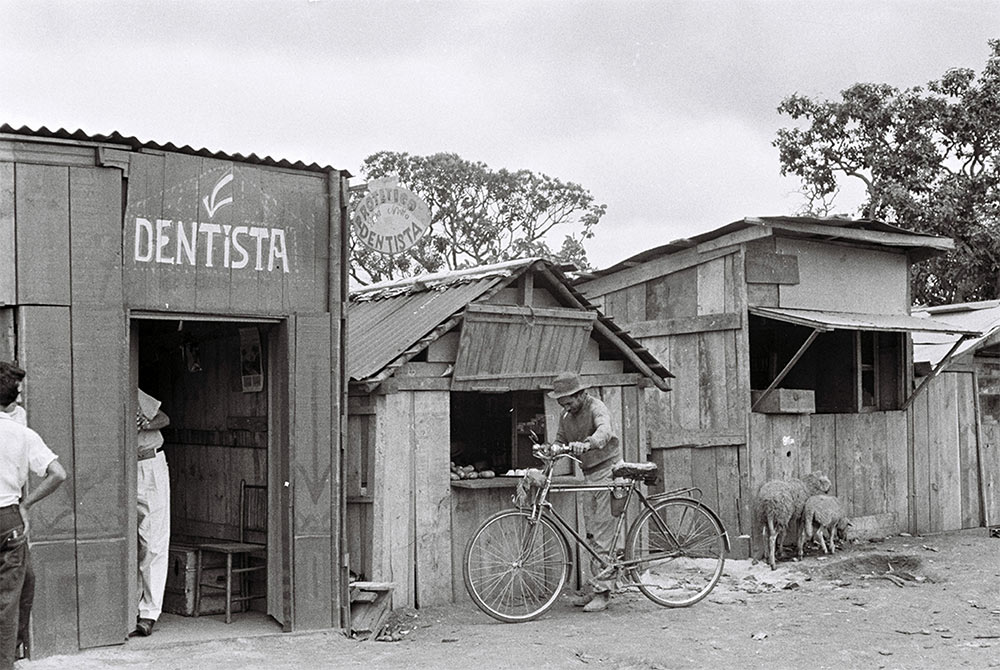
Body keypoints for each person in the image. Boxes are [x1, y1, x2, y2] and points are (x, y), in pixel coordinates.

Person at [0, 368, 66, 670]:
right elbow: (58, 474)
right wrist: (26, 505)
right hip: (8, 517)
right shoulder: (23, 433)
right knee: (9, 600)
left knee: (24, 583)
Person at [550, 371, 622, 613]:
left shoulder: (596, 408)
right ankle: (595, 588)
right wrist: (552, 449)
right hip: (589, 476)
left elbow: (605, 431)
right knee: (590, 534)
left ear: (580, 394)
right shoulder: (566, 415)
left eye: (569, 402)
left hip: (608, 473)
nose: (566, 407)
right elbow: (560, 439)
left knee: (602, 533)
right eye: (562, 404)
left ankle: (603, 593)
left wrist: (589, 442)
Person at [133, 389, 170, 638]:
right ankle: (129, 609)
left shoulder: (131, 390)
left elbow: (164, 418)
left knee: (153, 539)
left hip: (149, 463)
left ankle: (149, 613)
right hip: (121, 465)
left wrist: (145, 424)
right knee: (127, 542)